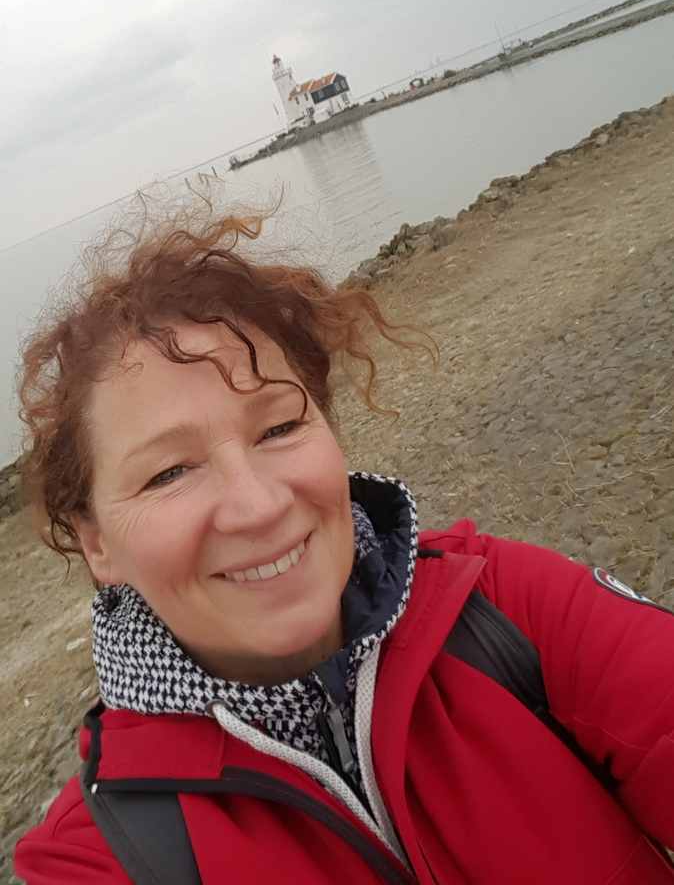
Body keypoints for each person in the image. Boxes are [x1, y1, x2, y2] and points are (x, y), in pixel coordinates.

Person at [13, 208, 674, 884]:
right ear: (97, 544)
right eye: (169, 472)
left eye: (278, 429)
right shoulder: (99, 855)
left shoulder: (501, 607)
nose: (259, 506)